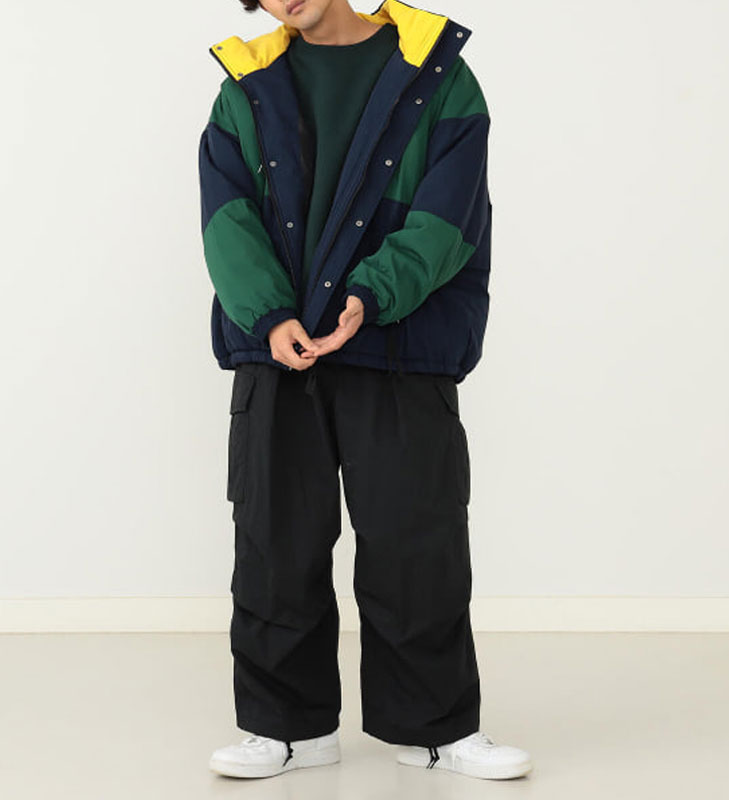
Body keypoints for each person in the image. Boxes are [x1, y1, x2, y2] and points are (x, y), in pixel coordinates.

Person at [198, 0, 533, 781]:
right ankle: (287, 729)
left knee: (418, 542)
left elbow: (449, 217)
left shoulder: (438, 74)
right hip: (280, 351)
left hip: (397, 343)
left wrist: (370, 295)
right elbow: (227, 217)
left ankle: (437, 730)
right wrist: (269, 314)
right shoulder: (245, 85)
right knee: (274, 542)